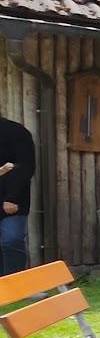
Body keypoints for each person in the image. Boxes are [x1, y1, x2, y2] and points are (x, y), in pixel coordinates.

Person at [0, 113, 35, 276]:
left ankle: (16, 286)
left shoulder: (16, 132)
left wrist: (11, 197)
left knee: (11, 239)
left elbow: (24, 167)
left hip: (11, 202)